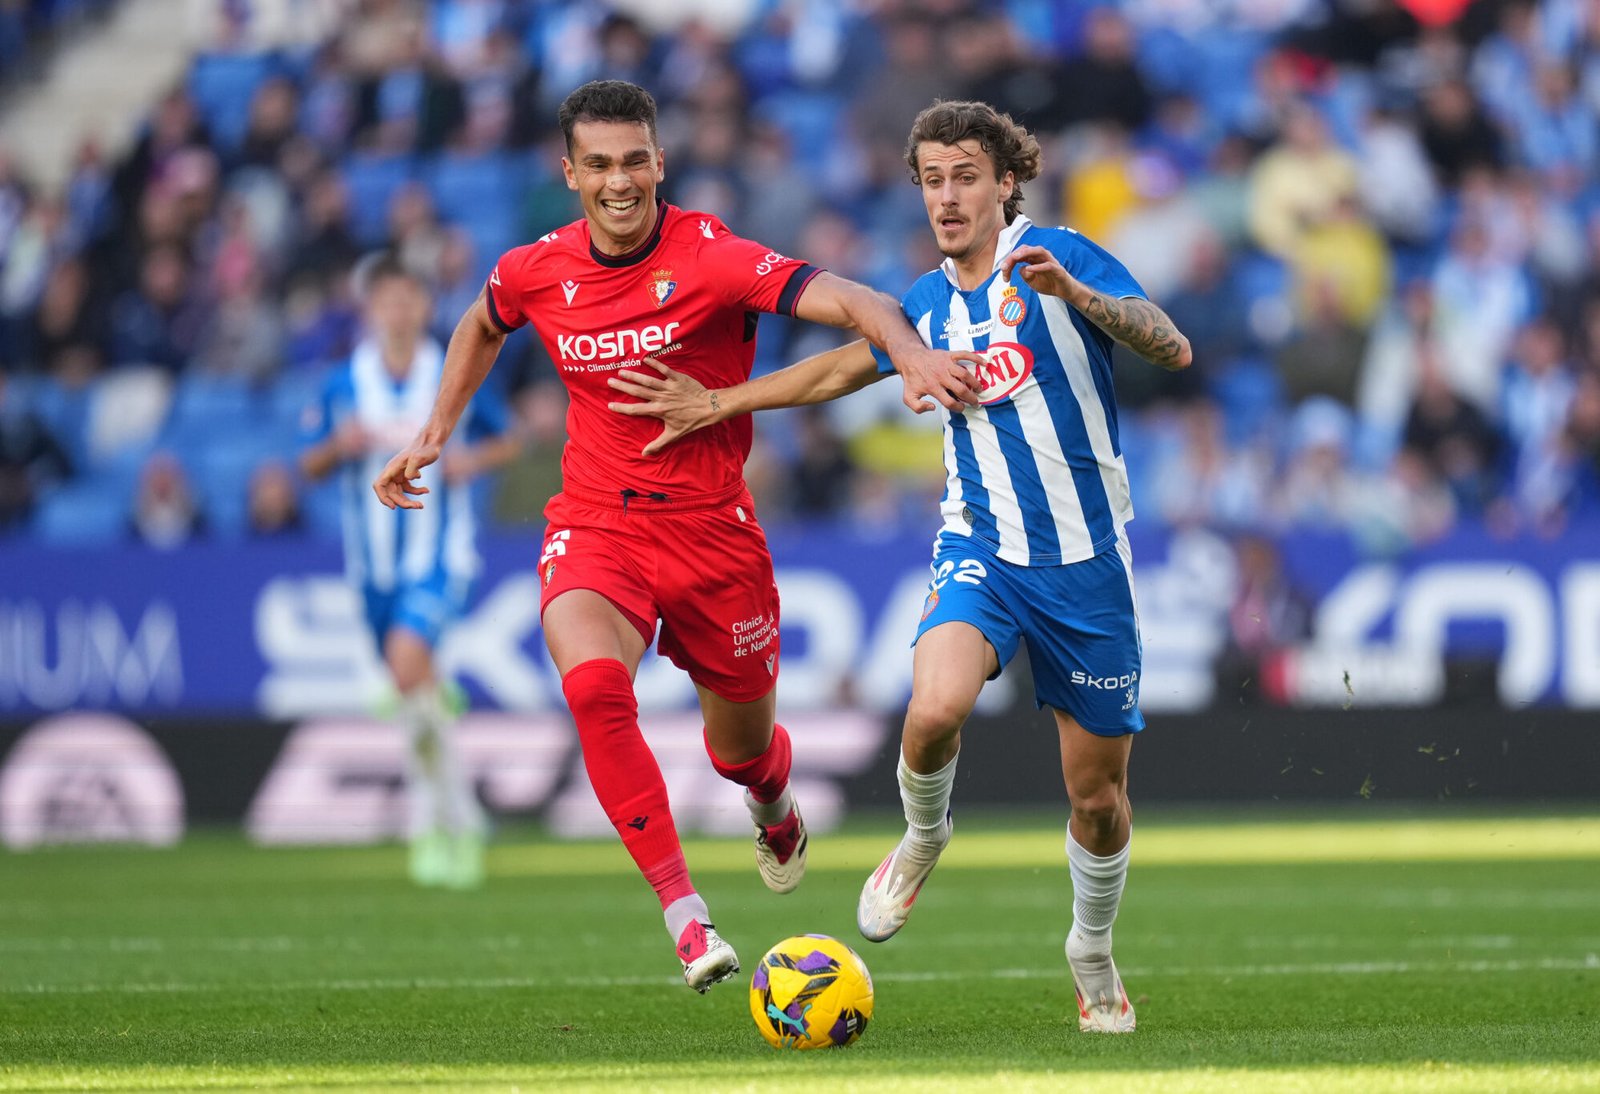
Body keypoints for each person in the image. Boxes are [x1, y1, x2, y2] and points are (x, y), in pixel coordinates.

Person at [371, 81, 975, 993]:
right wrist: (435, 430)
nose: (621, 182)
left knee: (741, 750)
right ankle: (686, 916)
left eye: (635, 161)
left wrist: (914, 353)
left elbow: (858, 302)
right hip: (596, 524)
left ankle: (772, 805)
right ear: (569, 173)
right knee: (594, 688)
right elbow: (481, 324)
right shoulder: (535, 267)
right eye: (601, 165)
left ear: (661, 162)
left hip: (712, 536)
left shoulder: (713, 258)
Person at [607, 99, 1193, 1031]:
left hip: (1087, 566)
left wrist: (1076, 299)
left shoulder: (1063, 256)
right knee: (931, 712)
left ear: (1006, 182)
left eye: (966, 177)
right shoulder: (922, 305)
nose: (948, 197)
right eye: (932, 180)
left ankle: (1090, 947)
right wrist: (720, 403)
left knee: (1099, 800)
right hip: (982, 552)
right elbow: (843, 368)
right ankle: (924, 837)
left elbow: (1172, 341)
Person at [302, 255, 519, 889]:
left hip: (438, 556)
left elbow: (506, 438)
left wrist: (470, 462)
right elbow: (306, 465)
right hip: (371, 568)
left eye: (408, 300)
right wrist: (337, 448)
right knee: (418, 699)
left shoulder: (450, 370)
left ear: (425, 308)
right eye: (386, 302)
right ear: (371, 311)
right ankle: (465, 817)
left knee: (406, 663)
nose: (398, 312)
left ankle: (429, 825)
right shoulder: (344, 382)